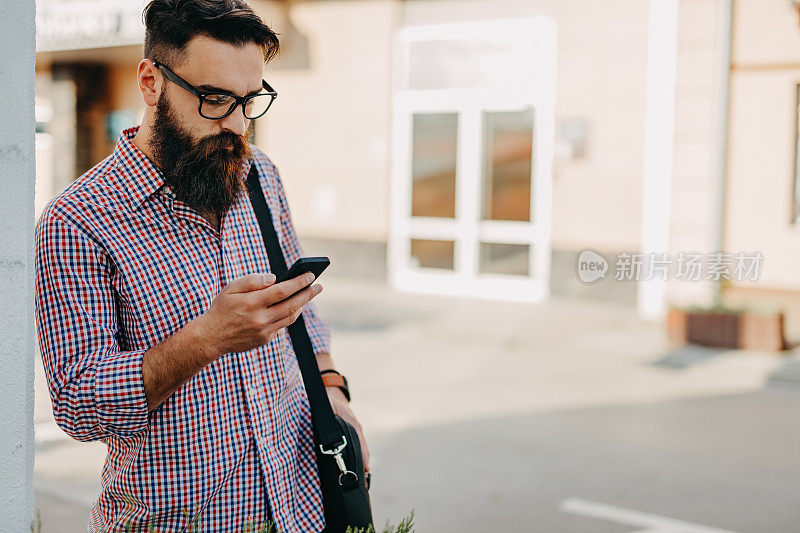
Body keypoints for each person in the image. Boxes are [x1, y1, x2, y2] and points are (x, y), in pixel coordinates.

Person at [33, 1, 369, 531]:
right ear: (150, 82)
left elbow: (302, 308)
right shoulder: (76, 220)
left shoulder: (260, 175)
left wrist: (333, 392)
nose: (237, 124)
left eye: (249, 100)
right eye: (214, 99)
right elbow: (78, 405)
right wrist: (206, 339)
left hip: (300, 503)